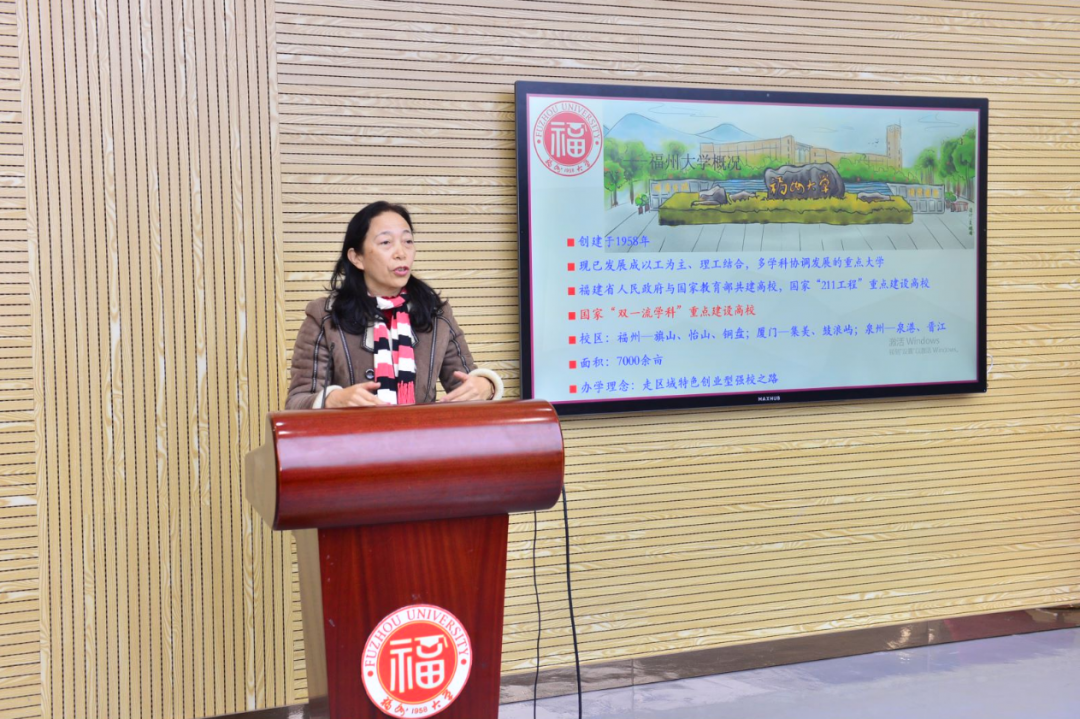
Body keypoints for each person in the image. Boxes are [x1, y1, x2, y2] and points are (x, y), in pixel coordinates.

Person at [286, 201, 502, 409]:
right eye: (386, 243)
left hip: (418, 433)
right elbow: (297, 401)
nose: (401, 253)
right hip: (353, 434)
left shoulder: (435, 312)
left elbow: (465, 383)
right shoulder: (324, 316)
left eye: (408, 241)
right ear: (357, 257)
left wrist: (486, 385)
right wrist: (332, 399)